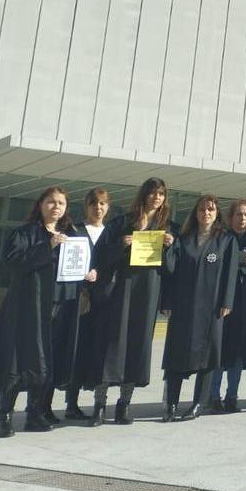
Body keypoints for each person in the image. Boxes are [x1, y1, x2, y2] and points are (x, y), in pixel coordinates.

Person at [0, 187, 94, 437]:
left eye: (61, 203)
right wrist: (48, 246)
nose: (56, 207)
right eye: (51, 202)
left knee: (46, 362)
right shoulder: (25, 233)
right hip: (28, 309)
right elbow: (13, 262)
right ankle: (5, 417)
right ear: (40, 204)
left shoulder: (71, 234)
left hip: (61, 307)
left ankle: (35, 413)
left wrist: (88, 273)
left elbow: (74, 267)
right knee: (17, 361)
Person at [88, 177, 177, 426]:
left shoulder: (167, 228)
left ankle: (124, 404)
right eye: (152, 193)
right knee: (111, 345)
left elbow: (172, 269)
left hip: (148, 292)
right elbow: (100, 257)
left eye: (161, 194)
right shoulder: (122, 223)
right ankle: (99, 404)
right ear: (144, 195)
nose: (156, 198)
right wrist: (121, 244)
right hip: (121, 291)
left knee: (137, 346)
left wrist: (170, 247)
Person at [159, 196, 237, 422]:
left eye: (211, 210)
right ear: (195, 213)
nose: (206, 213)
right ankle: (171, 404)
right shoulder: (183, 239)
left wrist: (227, 302)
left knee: (208, 357)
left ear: (217, 214)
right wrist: (168, 248)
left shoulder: (226, 240)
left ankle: (198, 404)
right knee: (176, 353)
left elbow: (230, 273)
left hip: (212, 308)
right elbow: (170, 272)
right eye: (202, 209)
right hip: (183, 306)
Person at [54, 187, 109, 421]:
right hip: (77, 300)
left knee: (96, 351)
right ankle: (71, 403)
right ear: (86, 206)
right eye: (94, 203)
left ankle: (99, 404)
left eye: (103, 203)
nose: (98, 207)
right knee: (74, 349)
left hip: (104, 302)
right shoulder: (74, 230)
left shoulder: (112, 233)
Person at [210, 199, 246, 413]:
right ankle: (213, 396)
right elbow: (214, 261)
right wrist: (237, 258)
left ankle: (232, 396)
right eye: (238, 214)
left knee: (238, 352)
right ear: (230, 217)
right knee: (218, 350)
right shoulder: (221, 237)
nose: (241, 218)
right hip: (222, 302)